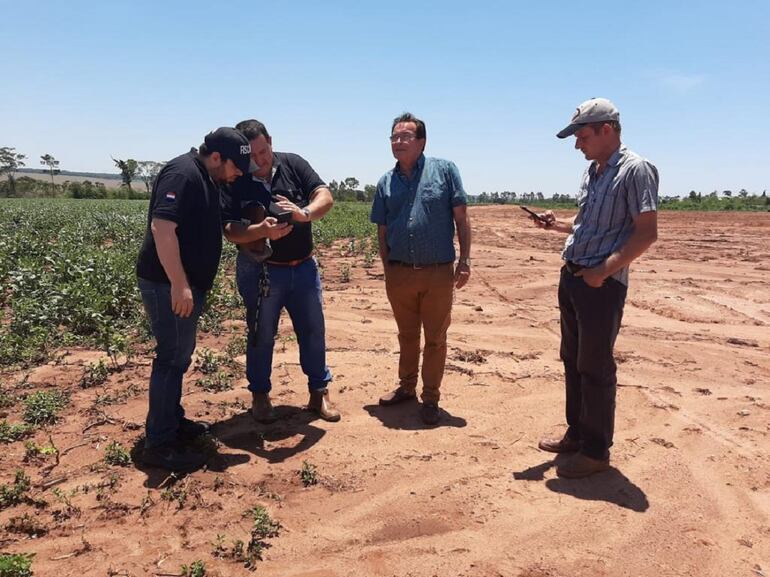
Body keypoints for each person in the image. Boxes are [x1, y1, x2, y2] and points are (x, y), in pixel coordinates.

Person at [530, 98, 658, 478]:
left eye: (581, 136)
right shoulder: (594, 171)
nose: (577, 145)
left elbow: (646, 234)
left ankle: (596, 450)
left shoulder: (636, 170)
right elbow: (588, 225)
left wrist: (604, 271)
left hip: (600, 285)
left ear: (607, 130)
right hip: (573, 277)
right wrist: (557, 225)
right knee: (572, 359)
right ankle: (578, 433)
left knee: (596, 366)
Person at [137, 127, 258, 473]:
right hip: (166, 284)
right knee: (171, 358)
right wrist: (179, 283)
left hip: (181, 283)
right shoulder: (183, 173)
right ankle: (159, 444)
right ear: (216, 157)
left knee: (179, 354)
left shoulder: (207, 178)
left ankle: (172, 422)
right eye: (235, 167)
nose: (237, 175)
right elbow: (162, 227)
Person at [221, 119, 340, 424]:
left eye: (264, 151)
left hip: (303, 268)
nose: (260, 161)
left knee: (313, 331)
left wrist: (305, 213)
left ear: (270, 141)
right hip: (262, 271)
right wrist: (259, 231)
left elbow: (324, 196)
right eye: (253, 156)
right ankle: (260, 395)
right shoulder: (235, 179)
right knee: (261, 335)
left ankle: (318, 393)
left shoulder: (294, 164)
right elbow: (230, 230)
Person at [371, 112, 472, 425]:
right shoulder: (385, 182)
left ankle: (430, 398)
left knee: (436, 338)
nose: (398, 142)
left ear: (421, 141)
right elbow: (383, 229)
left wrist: (465, 259)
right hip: (400, 271)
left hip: (438, 271)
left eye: (405, 136)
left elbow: (461, 218)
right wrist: (388, 267)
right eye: (394, 137)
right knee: (407, 335)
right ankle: (406, 388)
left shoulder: (444, 171)